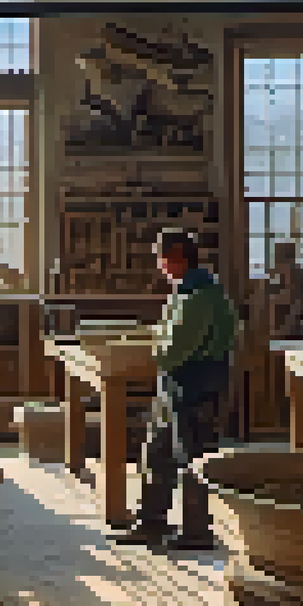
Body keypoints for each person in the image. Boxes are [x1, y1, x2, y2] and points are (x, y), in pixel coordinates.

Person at [115, 229, 237, 550]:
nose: (160, 266)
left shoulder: (201, 295)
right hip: (175, 385)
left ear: (179, 257)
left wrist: (147, 348)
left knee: (192, 459)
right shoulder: (185, 292)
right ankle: (152, 522)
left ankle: (197, 531)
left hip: (196, 386)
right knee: (156, 453)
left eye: (162, 258)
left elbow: (174, 350)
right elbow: (171, 336)